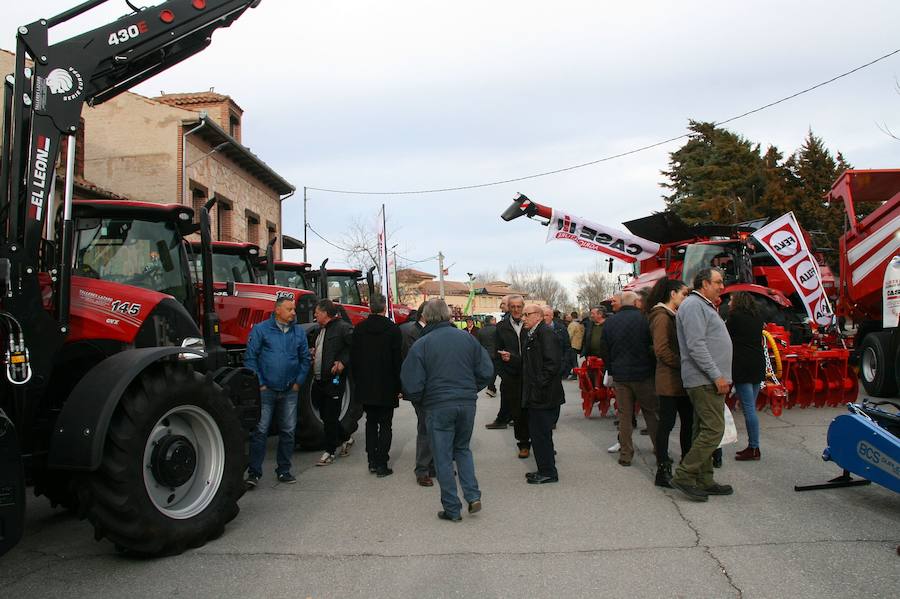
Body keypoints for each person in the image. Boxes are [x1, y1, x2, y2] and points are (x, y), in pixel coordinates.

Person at [401, 299, 494, 522]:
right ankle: (472, 495)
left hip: (437, 405)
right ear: (448, 316)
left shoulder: (422, 344)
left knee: (442, 457)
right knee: (462, 449)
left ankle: (452, 508)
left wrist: (421, 399)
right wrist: (471, 388)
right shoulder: (467, 339)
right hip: (466, 403)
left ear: (426, 317)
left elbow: (410, 381)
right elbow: (486, 370)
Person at [670, 267, 734, 502]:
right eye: (718, 282)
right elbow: (696, 345)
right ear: (704, 284)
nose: (721, 286)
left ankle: (704, 479)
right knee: (714, 429)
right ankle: (685, 475)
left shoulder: (701, 305)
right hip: (705, 380)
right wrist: (717, 375)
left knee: (702, 430)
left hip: (707, 380)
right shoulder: (694, 306)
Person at [244, 297, 311, 487]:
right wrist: (260, 383)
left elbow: (305, 359)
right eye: (289, 309)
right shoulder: (261, 330)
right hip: (266, 390)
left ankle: (284, 470)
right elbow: (250, 357)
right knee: (260, 431)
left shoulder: (298, 332)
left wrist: (298, 382)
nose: (293, 312)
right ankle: (254, 473)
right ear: (277, 310)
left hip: (290, 390)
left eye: (294, 309)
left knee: (288, 431)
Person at [602, 291, 659, 467]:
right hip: (644, 374)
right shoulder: (645, 319)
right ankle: (659, 449)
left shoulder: (610, 322)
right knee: (651, 413)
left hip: (620, 375)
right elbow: (653, 346)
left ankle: (626, 454)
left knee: (625, 416)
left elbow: (605, 349)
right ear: (636, 302)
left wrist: (612, 369)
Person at [647, 278, 692, 488]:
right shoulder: (662, 317)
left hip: (676, 380)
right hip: (670, 381)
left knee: (685, 423)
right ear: (672, 294)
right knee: (667, 425)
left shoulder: (669, 315)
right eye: (684, 294)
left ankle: (685, 465)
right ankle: (663, 470)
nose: (686, 298)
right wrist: (686, 364)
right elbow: (662, 350)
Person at [350, 294, 402, 477]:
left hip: (366, 384)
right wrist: (400, 386)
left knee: (370, 423)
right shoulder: (393, 330)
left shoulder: (359, 329)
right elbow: (398, 362)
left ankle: (372, 460)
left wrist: (358, 381)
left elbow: (353, 359)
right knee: (386, 424)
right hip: (387, 385)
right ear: (384, 308)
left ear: (370, 307)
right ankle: (382, 463)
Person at [522, 304, 566, 484]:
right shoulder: (534, 333)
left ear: (538, 316)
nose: (523, 318)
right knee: (540, 434)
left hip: (544, 395)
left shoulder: (545, 333)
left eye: (527, 314)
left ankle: (548, 472)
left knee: (540, 434)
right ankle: (545, 468)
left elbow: (552, 364)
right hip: (539, 393)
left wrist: (537, 385)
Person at [311, 299, 354, 466]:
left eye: (317, 312)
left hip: (334, 380)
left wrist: (342, 362)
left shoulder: (343, 328)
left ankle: (329, 451)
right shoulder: (320, 331)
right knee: (325, 415)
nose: (315, 315)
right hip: (320, 379)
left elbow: (354, 346)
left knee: (330, 416)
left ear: (325, 313)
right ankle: (346, 438)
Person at [726, 292, 765, 461]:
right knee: (751, 407)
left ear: (738, 301)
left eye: (731, 299)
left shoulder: (734, 317)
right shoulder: (757, 316)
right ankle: (753, 446)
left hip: (742, 364)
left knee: (748, 408)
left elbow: (726, 338)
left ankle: (754, 447)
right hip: (757, 363)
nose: (729, 302)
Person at [491, 296, 531, 460]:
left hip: (531, 374)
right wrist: (503, 374)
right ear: (508, 308)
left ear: (523, 307)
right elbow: (496, 353)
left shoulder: (529, 325)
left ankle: (541, 441)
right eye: (512, 306)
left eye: (518, 306)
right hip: (512, 376)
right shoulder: (501, 327)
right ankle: (523, 444)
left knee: (535, 411)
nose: (515, 309)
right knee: (518, 412)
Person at [400, 302, 434, 486]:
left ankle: (433, 465)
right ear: (424, 315)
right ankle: (422, 469)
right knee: (425, 428)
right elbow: (413, 363)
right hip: (421, 389)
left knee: (434, 427)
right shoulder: (412, 333)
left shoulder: (432, 331)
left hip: (433, 388)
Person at [543, 306, 570, 379]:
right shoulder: (537, 330)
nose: (544, 318)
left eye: (546, 315)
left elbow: (567, 347)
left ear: (552, 316)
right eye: (542, 315)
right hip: (543, 369)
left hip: (558, 367)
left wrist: (564, 365)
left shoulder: (561, 329)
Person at [477, 315, 499, 397]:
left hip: (485, 355)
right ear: (491, 321)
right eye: (494, 320)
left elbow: (478, 343)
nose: (495, 321)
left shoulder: (480, 331)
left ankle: (491, 388)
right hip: (495, 354)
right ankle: (491, 388)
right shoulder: (496, 330)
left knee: (489, 371)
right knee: (495, 372)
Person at [567, 310, 584, 380]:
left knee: (573, 360)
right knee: (574, 359)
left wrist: (567, 343)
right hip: (578, 344)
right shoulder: (580, 324)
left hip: (572, 344)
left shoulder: (572, 324)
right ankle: (574, 372)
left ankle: (575, 373)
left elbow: (569, 335)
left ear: (571, 316)